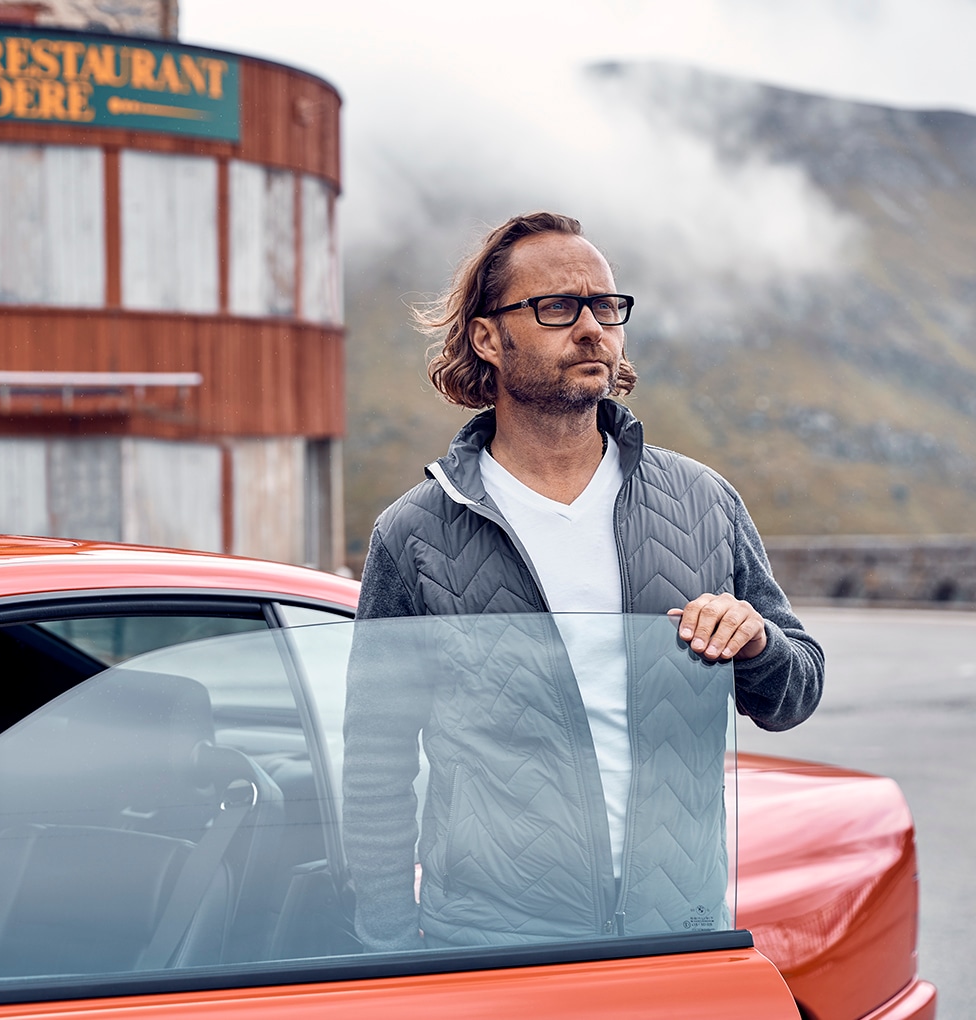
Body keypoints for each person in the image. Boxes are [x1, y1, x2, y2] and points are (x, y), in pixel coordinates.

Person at [343, 211, 824, 952]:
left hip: (677, 929)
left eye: (607, 307)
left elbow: (795, 694)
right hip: (492, 944)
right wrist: (384, 944)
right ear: (487, 338)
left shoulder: (703, 501)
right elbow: (375, 763)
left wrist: (758, 643)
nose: (593, 328)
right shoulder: (414, 534)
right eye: (558, 308)